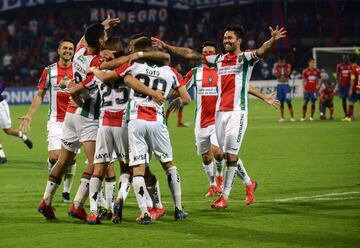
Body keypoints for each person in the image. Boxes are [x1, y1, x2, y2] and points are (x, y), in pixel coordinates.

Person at [152, 24, 284, 209]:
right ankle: (248, 183)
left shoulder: (245, 58)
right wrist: (166, 47)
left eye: (230, 38)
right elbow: (190, 54)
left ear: (239, 40)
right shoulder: (219, 60)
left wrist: (272, 40)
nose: (226, 41)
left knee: (230, 155)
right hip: (219, 115)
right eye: (224, 38)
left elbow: (261, 51)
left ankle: (225, 196)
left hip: (237, 113)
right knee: (224, 155)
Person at [92, 36, 191, 224]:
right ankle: (178, 209)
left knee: (137, 168)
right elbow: (186, 99)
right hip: (158, 122)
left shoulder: (133, 66)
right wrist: (172, 97)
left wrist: (94, 68)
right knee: (168, 164)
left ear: (138, 51)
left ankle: (145, 212)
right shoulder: (171, 72)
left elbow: (112, 77)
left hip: (136, 120)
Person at [36, 17, 121, 221]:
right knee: (96, 163)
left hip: (69, 115)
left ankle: (46, 201)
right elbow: (96, 77)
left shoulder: (80, 53)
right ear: (100, 42)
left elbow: (84, 40)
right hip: (87, 115)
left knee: (64, 160)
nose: (107, 39)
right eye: (105, 37)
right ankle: (77, 205)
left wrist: (101, 26)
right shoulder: (97, 63)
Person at [19, 39, 76, 202]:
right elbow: (40, 95)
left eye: (71, 48)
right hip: (55, 120)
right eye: (64, 48)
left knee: (71, 158)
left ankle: (66, 191)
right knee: (55, 156)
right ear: (58, 50)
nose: (68, 51)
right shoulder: (49, 71)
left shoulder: (79, 70)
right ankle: (53, 170)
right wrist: (29, 115)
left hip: (74, 119)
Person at [180, 41, 225, 197]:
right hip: (201, 122)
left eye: (211, 52)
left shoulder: (223, 71)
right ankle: (212, 184)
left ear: (216, 54)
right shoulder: (195, 72)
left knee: (218, 153)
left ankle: (220, 178)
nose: (207, 55)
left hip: (218, 121)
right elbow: (181, 87)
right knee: (206, 157)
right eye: (205, 52)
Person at [0, 80, 32, 164]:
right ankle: (2, 156)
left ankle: (23, 136)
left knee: (8, 130)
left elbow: (2, 85)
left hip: (1, 107)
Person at [273, 56, 295, 122]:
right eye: (280, 61)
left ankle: (292, 117)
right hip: (279, 85)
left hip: (286, 85)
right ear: (279, 61)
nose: (282, 63)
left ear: (285, 61)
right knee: (281, 102)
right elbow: (277, 75)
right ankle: (282, 117)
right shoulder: (276, 66)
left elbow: (287, 74)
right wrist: (281, 73)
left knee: (288, 101)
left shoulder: (288, 65)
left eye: (283, 61)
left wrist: (281, 72)